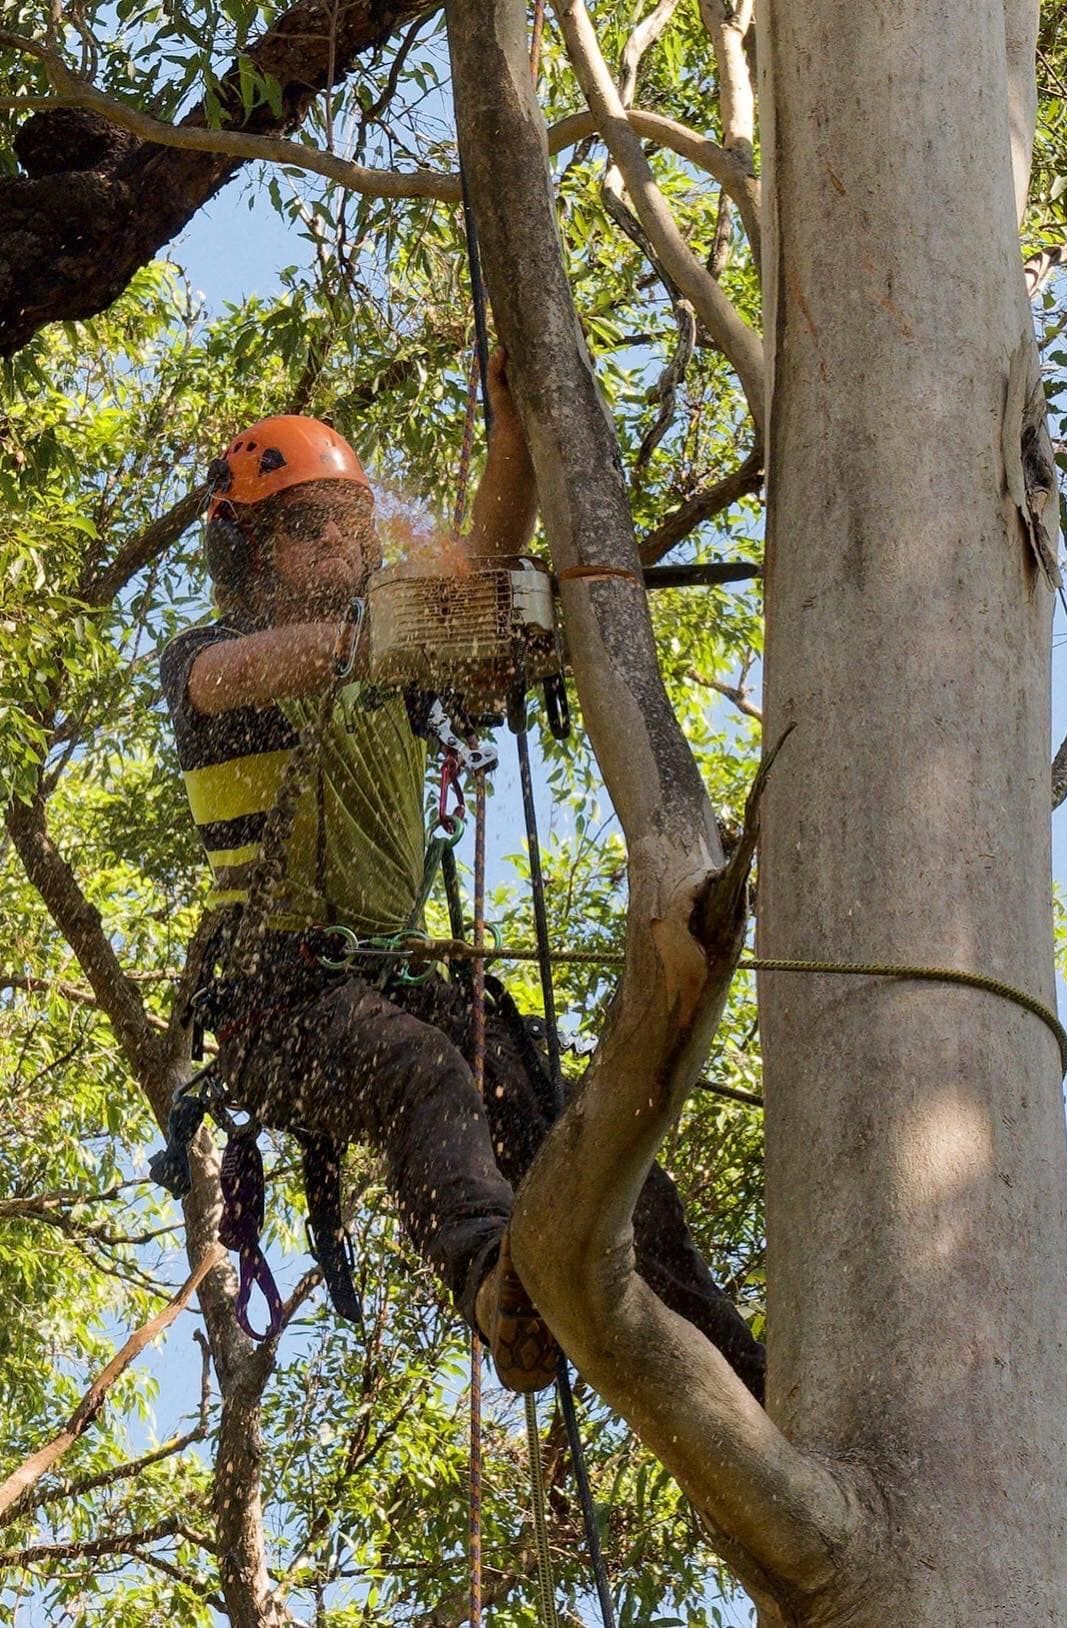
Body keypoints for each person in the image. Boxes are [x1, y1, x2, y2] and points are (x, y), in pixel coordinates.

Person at [160, 353, 765, 1399]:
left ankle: (740, 1362)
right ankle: (495, 1284)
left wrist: (514, 436)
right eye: (308, 528)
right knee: (424, 1075)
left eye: (348, 521)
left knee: (583, 1128)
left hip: (387, 984)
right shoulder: (211, 654)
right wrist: (379, 637)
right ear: (248, 555)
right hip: (276, 1000)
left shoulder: (392, 658)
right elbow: (241, 676)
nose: (343, 542)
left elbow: (481, 567)